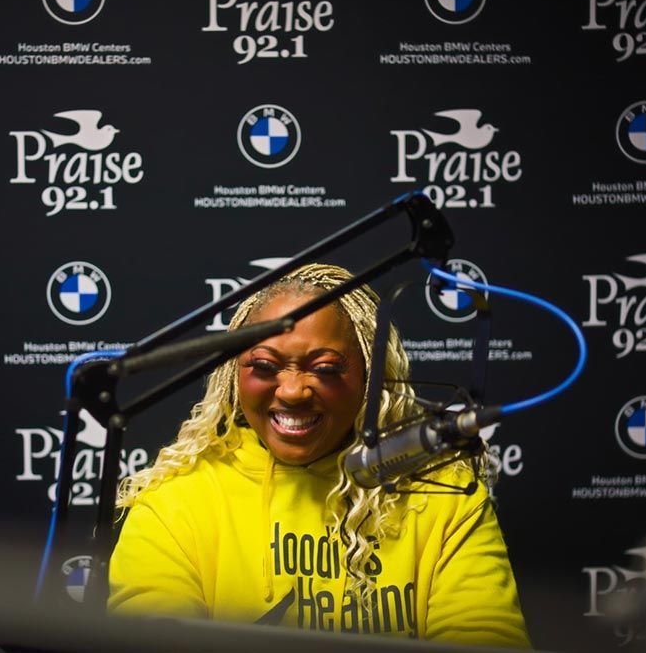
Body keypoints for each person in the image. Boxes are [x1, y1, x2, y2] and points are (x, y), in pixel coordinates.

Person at [107, 264, 530, 647]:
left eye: (325, 369)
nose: (292, 390)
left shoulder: (446, 493)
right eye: (266, 366)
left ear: (372, 377)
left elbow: (486, 636)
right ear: (232, 375)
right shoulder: (174, 501)